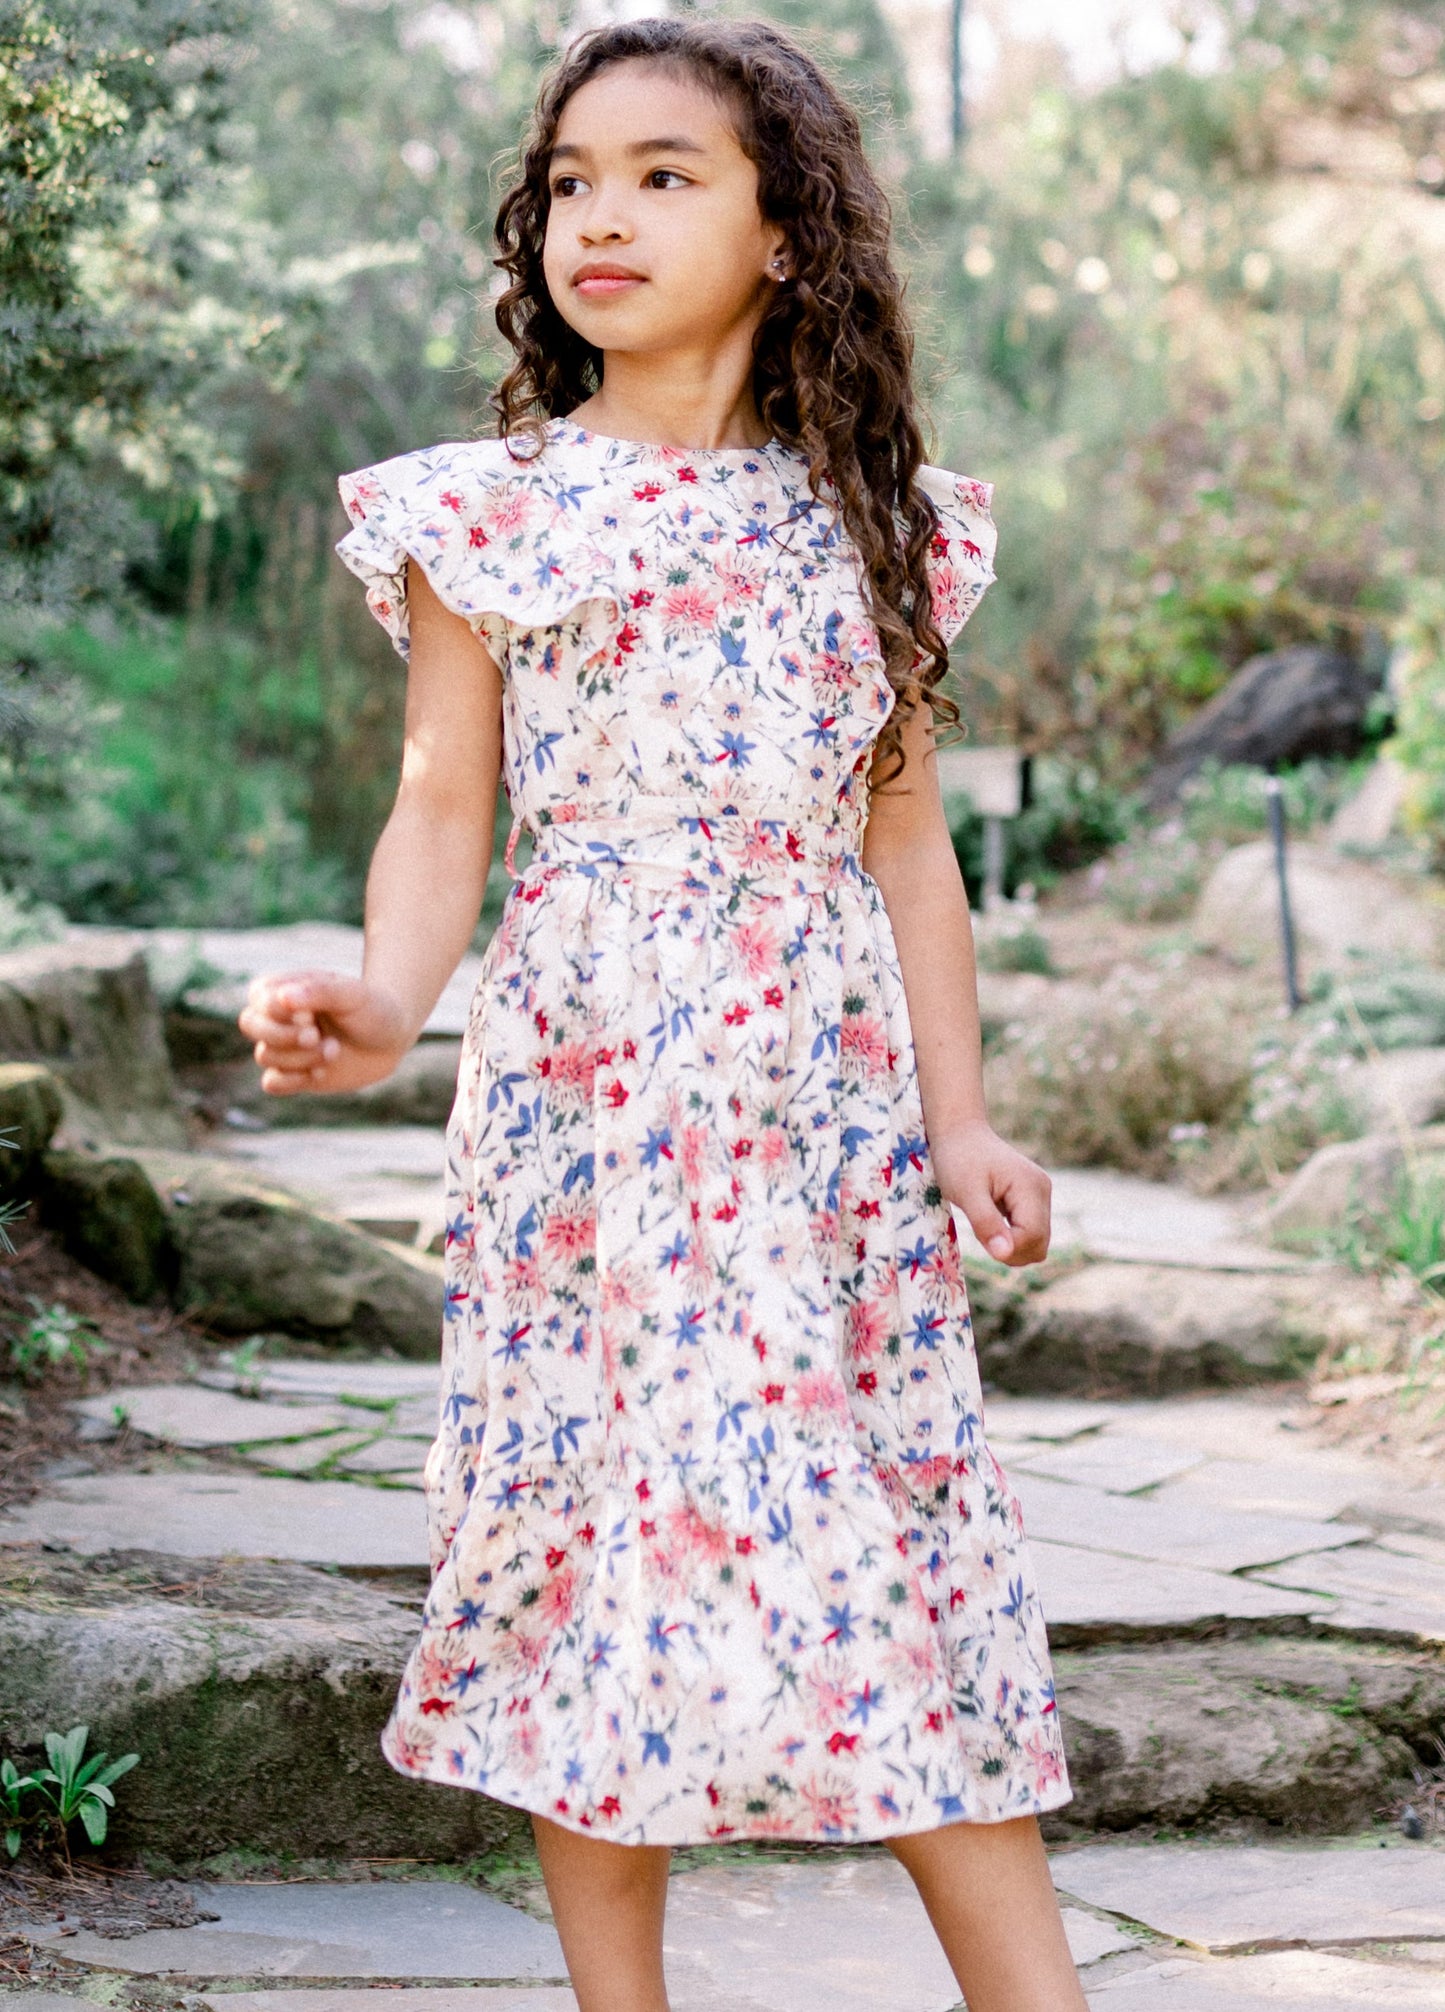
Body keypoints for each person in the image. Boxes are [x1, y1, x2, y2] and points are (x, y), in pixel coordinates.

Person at [238, 16, 1085, 2011]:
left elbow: (908, 853)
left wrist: (962, 1119)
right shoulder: (490, 511)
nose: (596, 217)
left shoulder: (875, 520)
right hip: (592, 1105)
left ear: (791, 233)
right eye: (569, 183)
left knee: (894, 1540)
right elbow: (445, 803)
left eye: (664, 173)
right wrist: (380, 996)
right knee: (589, 1529)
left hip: (826, 1122)